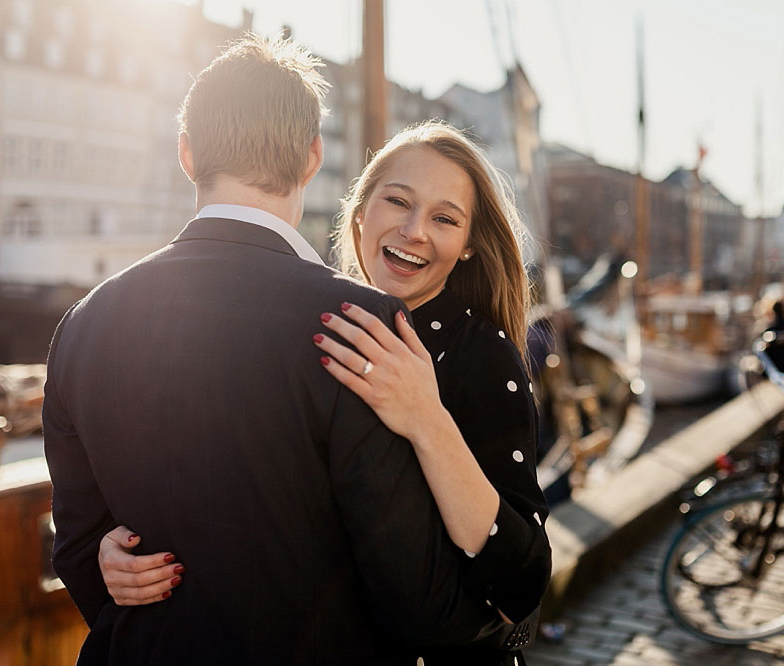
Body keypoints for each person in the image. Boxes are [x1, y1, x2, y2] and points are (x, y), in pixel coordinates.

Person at [44, 36, 527, 665]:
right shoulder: (359, 326)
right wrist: (498, 621)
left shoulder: (83, 324)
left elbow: (79, 552)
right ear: (311, 158)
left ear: (188, 155)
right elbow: (416, 597)